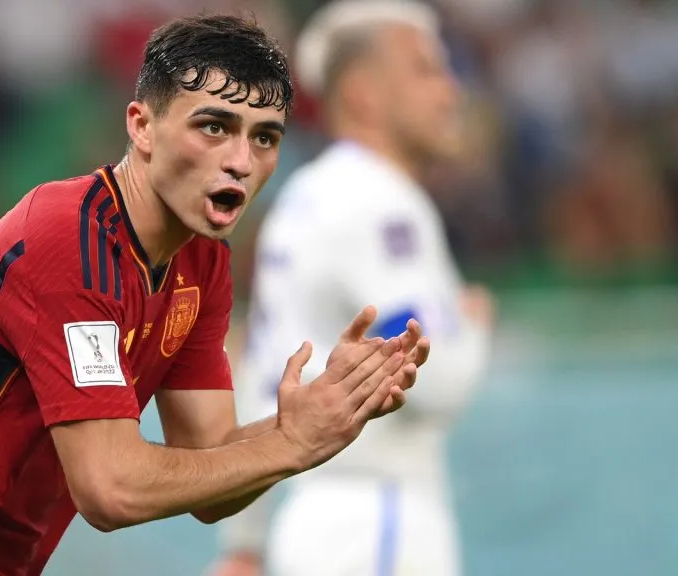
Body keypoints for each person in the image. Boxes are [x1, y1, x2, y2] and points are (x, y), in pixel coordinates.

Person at [0, 13, 430, 576]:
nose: (241, 161)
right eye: (213, 127)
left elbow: (211, 461)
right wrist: (291, 446)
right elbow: (109, 489)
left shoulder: (201, 260)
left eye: (265, 138)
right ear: (141, 126)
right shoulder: (64, 239)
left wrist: (316, 417)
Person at [209, 2, 493, 576]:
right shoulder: (379, 202)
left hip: (314, 519)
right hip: (376, 518)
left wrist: (246, 542)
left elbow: (262, 376)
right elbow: (431, 376)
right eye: (426, 70)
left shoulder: (304, 197)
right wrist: (473, 326)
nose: (451, 91)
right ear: (363, 92)